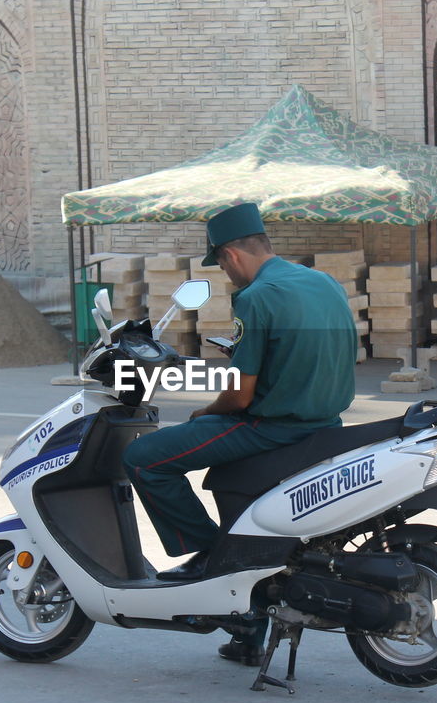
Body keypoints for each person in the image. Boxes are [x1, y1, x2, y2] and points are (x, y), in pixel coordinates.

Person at [122, 201, 358, 664]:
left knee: (145, 458)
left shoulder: (255, 297)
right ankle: (245, 626)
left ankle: (209, 559)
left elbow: (240, 396)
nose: (227, 275)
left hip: (270, 427)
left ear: (230, 255)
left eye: (222, 266)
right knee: (227, 484)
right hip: (327, 425)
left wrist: (205, 411)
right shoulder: (324, 281)